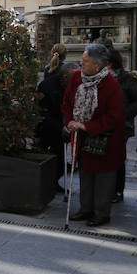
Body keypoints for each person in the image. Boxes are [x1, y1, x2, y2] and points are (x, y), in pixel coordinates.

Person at [62, 44, 126, 227]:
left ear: (97, 65)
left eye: (85, 61)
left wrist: (86, 125)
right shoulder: (76, 78)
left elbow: (114, 116)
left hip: (105, 139)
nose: (81, 63)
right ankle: (85, 209)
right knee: (85, 173)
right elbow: (66, 102)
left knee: (103, 177)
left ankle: (101, 213)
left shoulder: (111, 84)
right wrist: (70, 121)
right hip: (81, 136)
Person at [108, 48, 137, 203]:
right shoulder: (101, 78)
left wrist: (125, 114)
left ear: (110, 64)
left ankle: (117, 190)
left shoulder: (127, 79)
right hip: (105, 123)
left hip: (122, 125)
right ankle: (107, 188)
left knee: (117, 157)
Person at [36, 62, 79, 194]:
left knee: (61, 159)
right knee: (47, 157)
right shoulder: (47, 86)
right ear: (65, 77)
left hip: (63, 126)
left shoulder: (71, 86)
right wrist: (60, 127)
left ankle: (54, 183)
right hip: (47, 127)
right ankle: (44, 185)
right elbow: (43, 112)